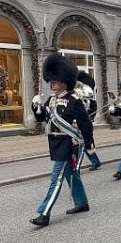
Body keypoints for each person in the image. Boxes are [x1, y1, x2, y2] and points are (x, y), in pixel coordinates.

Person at [30, 53, 94, 227]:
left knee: (56, 178)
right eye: (51, 81)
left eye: (55, 80)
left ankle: (44, 213)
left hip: (68, 144)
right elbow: (43, 118)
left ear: (64, 81)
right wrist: (36, 108)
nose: (52, 83)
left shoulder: (74, 101)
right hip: (55, 143)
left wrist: (90, 145)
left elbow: (85, 124)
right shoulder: (51, 99)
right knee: (71, 174)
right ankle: (82, 203)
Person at [77, 71, 102, 171]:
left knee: (82, 145)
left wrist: (86, 113)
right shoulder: (77, 98)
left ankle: (76, 166)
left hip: (85, 124)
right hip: (77, 124)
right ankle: (95, 161)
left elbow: (93, 112)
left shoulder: (90, 101)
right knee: (85, 145)